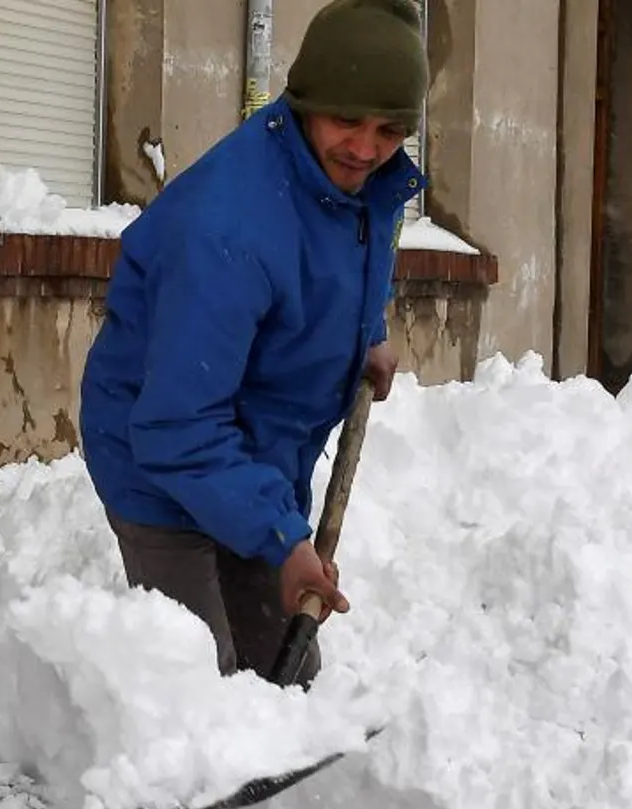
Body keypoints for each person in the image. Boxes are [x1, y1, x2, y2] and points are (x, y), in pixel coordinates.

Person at [79, 0, 430, 689]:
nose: (365, 147)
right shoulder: (227, 229)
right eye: (346, 121)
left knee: (286, 678)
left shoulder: (351, 185)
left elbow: (331, 268)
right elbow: (176, 428)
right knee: (195, 700)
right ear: (304, 102)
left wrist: (367, 338)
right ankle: (163, 798)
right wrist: (283, 539)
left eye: (389, 130)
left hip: (248, 456)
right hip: (161, 461)